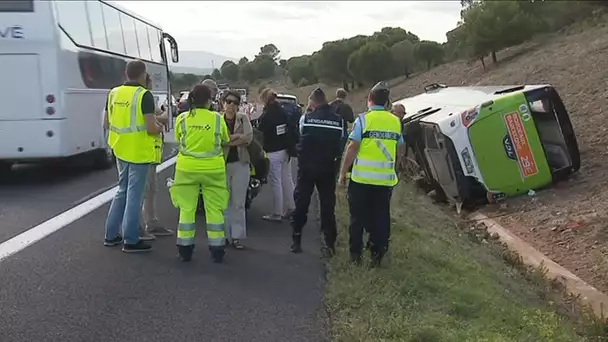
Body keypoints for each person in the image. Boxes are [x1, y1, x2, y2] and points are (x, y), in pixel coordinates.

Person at [338, 82, 404, 267]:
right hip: (384, 181)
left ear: (369, 99)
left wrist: (343, 172)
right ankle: (377, 256)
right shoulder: (395, 121)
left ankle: (355, 256)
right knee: (381, 217)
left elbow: (352, 147)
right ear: (386, 102)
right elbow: (400, 148)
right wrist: (395, 169)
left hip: (361, 180)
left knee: (357, 218)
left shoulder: (363, 120)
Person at [103, 60, 163, 253]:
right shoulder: (144, 95)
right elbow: (151, 127)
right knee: (135, 195)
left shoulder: (113, 93)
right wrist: (160, 127)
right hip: (138, 151)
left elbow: (106, 122)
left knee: (122, 191)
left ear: (125, 73)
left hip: (119, 148)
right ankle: (131, 239)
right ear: (143, 74)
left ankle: (111, 235)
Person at [169, 84, 230, 262]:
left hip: (186, 169)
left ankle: (185, 249)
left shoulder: (182, 119)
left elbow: (179, 139)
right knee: (214, 209)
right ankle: (217, 248)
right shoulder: (218, 119)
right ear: (210, 101)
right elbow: (225, 140)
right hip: (213, 170)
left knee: (187, 208)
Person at [291, 88, 344, 256]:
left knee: (302, 203)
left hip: (307, 167)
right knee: (327, 205)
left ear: (312, 103)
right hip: (328, 168)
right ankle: (329, 244)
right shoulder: (339, 120)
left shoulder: (306, 119)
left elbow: (300, 138)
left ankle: (296, 240)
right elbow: (341, 144)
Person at [139, 75, 174, 241]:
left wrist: (162, 114)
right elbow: (152, 122)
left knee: (151, 189)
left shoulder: (148, 99)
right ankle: (138, 227)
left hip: (150, 152)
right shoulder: (143, 96)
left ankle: (151, 222)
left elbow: (163, 116)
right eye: (151, 81)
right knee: (141, 191)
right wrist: (159, 120)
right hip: (141, 153)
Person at [257, 88, 296, 221]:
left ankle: (277, 213)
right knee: (287, 179)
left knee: (276, 182)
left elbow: (260, 131)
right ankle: (292, 207)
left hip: (273, 151)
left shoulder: (267, 115)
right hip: (286, 150)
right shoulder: (283, 111)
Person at [221, 90, 253, 249]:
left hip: (241, 163)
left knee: (238, 202)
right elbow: (219, 139)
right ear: (223, 103)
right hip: (222, 164)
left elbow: (248, 137)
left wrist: (229, 140)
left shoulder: (243, 118)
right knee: (224, 201)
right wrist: (235, 138)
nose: (231, 105)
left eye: (234, 102)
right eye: (228, 101)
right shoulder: (218, 119)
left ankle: (237, 237)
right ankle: (225, 235)